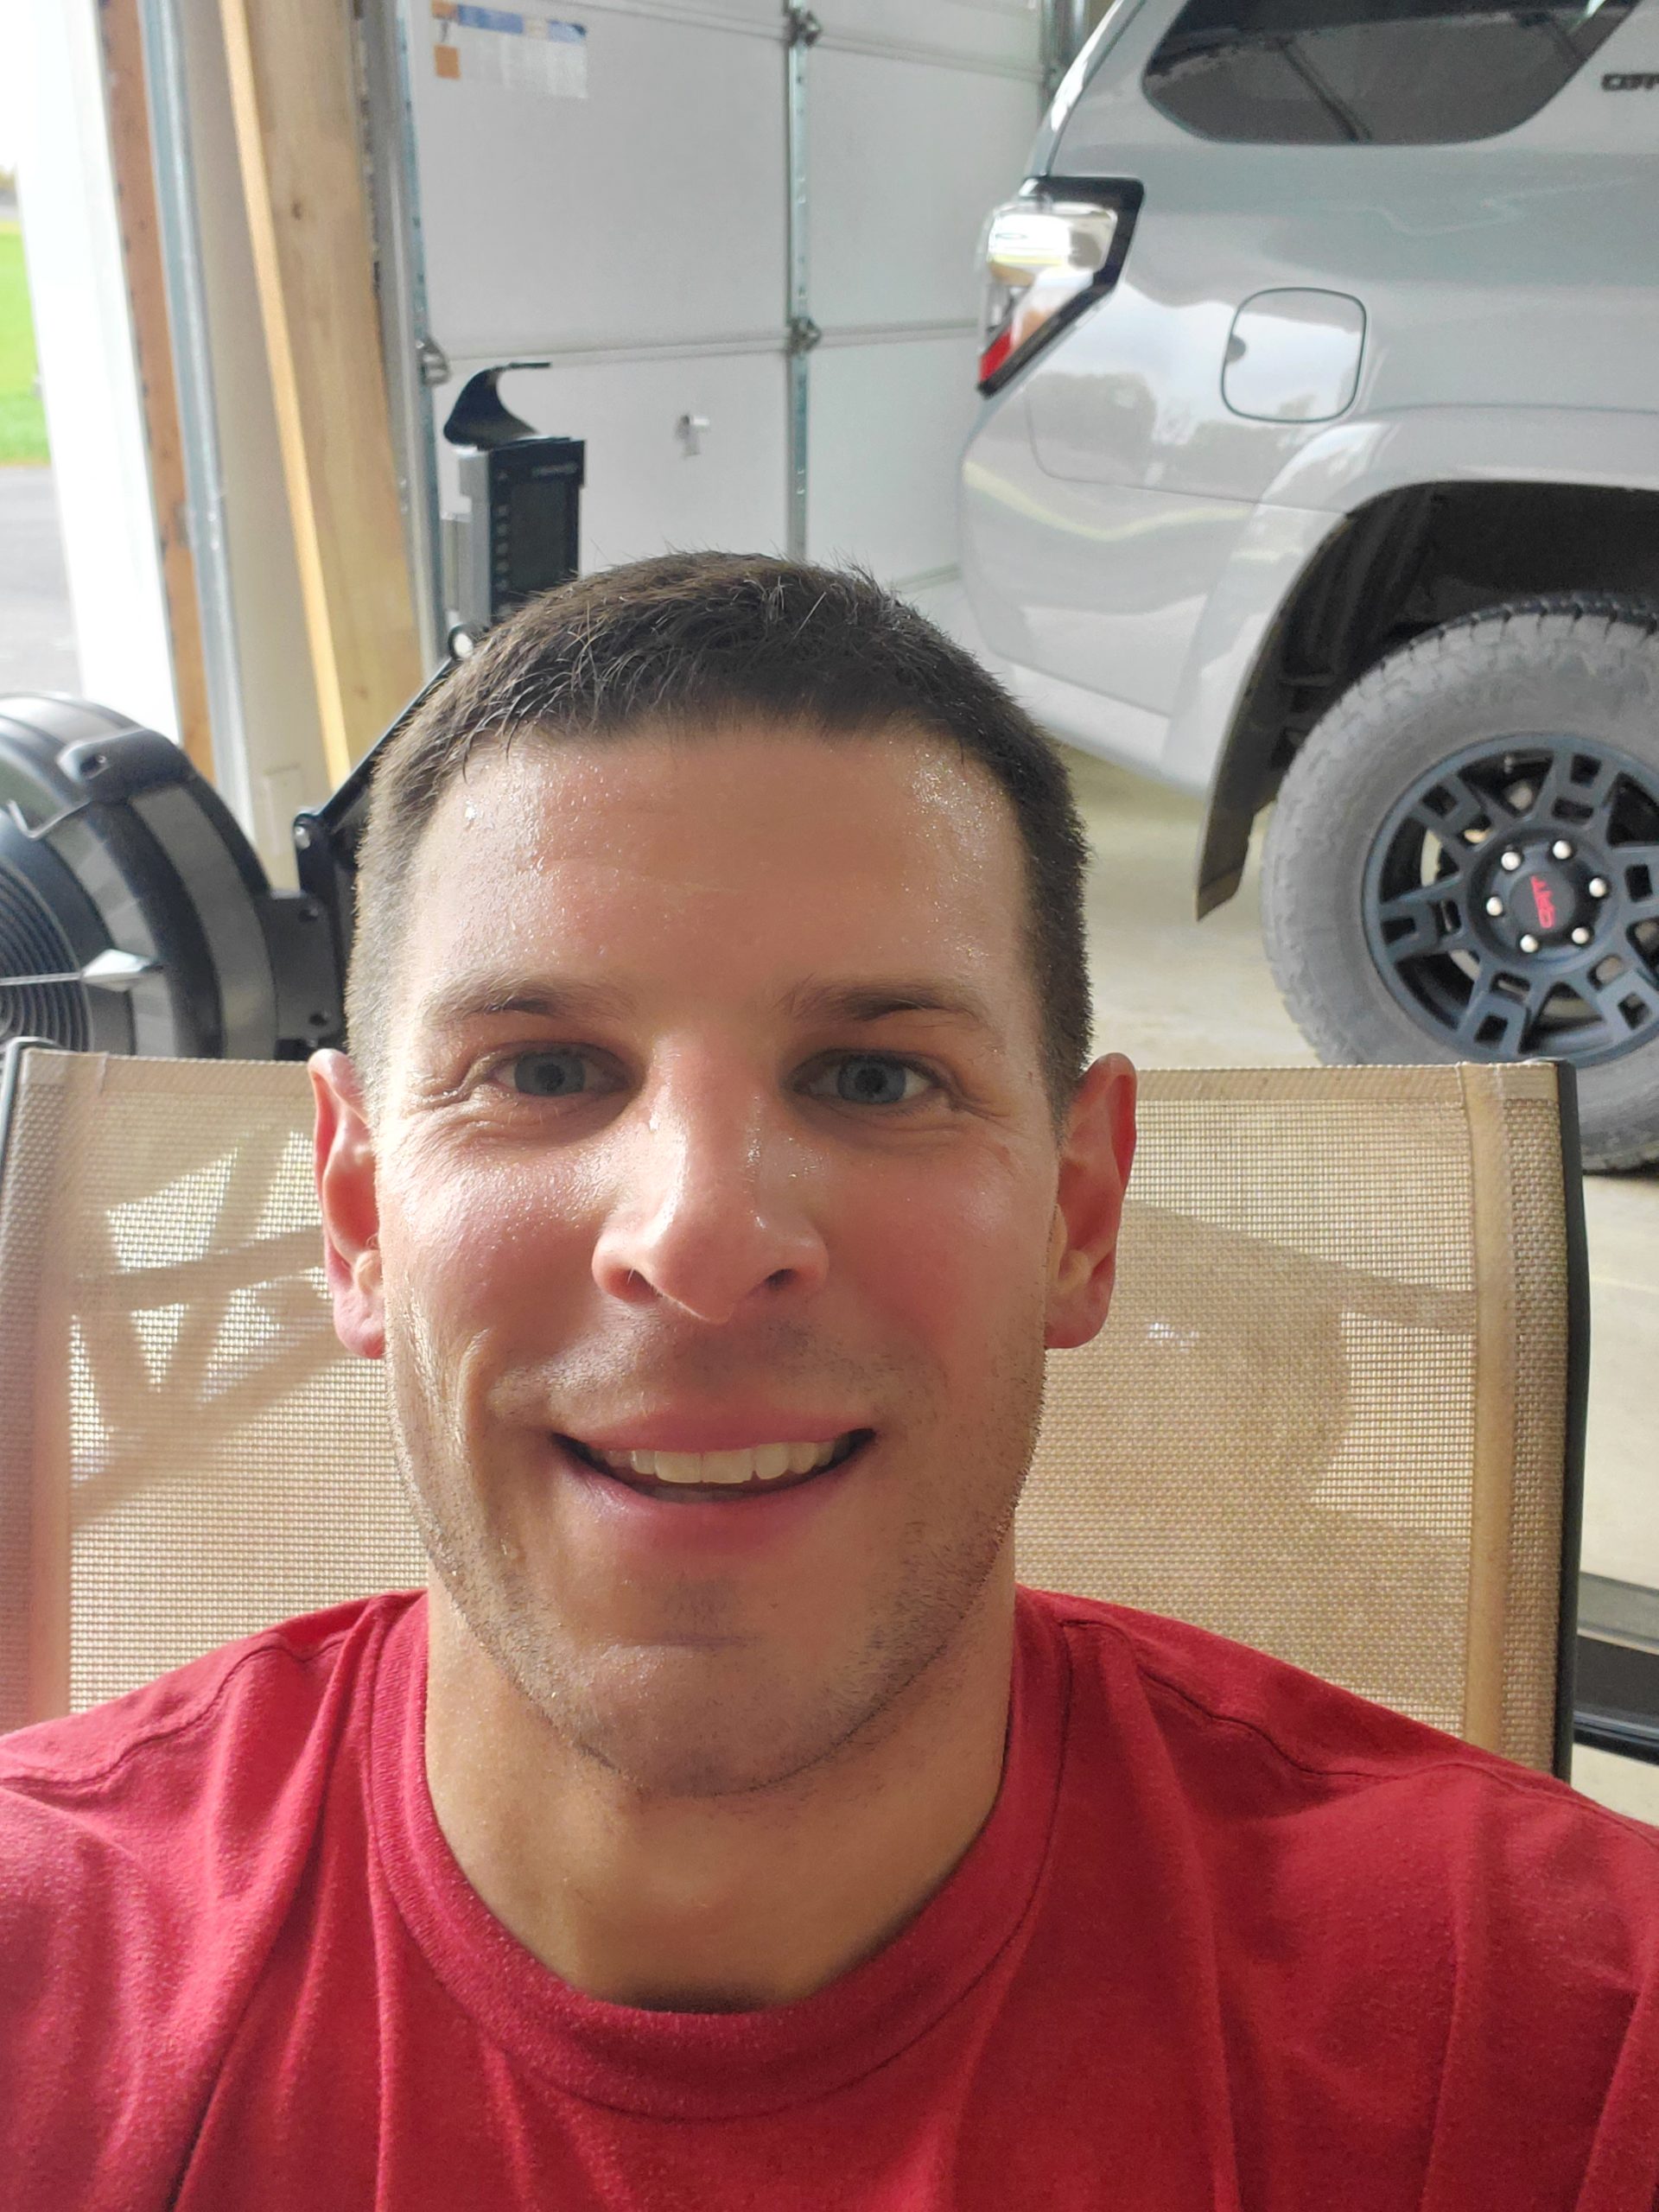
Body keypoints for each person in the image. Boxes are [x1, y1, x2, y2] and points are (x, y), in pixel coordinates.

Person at [3, 555, 1656, 2211]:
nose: (702, 1240)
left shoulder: (1560, 2035)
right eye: (546, 1069)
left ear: (1080, 1214)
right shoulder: (45, 1971)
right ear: (359, 1214)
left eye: (875, 1077)